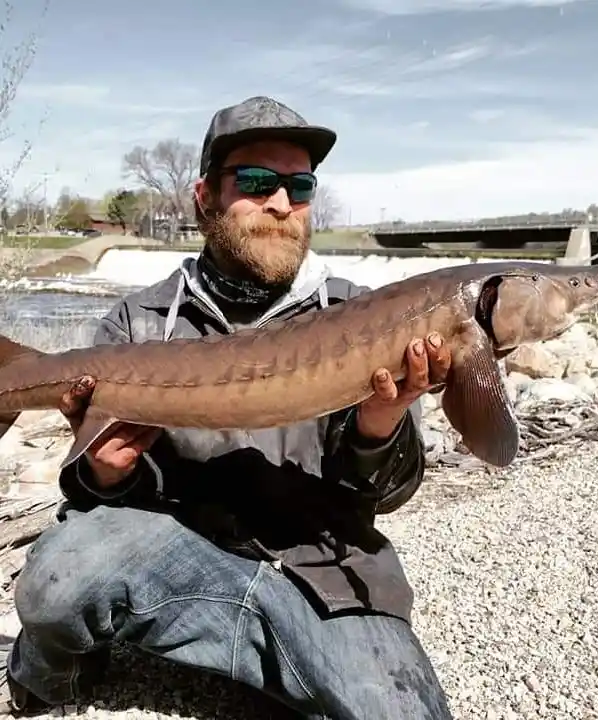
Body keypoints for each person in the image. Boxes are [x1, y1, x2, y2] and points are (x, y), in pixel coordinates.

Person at [1, 96, 454, 719]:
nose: (281, 203)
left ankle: (275, 651)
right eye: (258, 182)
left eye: (299, 185)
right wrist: (108, 470)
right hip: (174, 546)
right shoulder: (138, 323)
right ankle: (56, 675)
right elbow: (95, 496)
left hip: (320, 563)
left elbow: (390, 490)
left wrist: (379, 427)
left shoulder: (369, 317)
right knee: (58, 580)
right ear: (205, 196)